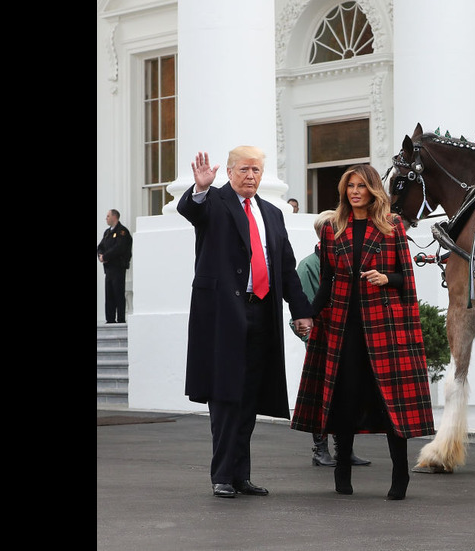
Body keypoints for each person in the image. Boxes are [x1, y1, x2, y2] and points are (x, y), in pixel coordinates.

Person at [291, 164, 435, 500]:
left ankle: (400, 473)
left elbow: (405, 279)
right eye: (350, 186)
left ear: (373, 190)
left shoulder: (392, 226)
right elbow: (326, 281)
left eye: (361, 186)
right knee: (345, 399)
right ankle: (342, 469)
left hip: (384, 328)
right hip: (342, 328)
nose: (355, 192)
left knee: (390, 403)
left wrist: (387, 279)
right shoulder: (332, 229)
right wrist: (307, 314)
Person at [177, 146, 314, 499]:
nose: (250, 176)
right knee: (225, 397)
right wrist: (201, 189)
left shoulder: (271, 212)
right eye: (244, 169)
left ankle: (241, 475)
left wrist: (300, 310)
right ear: (230, 172)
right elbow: (191, 210)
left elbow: (285, 267)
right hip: (224, 315)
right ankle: (222, 475)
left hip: (262, 312)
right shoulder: (215, 203)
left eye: (256, 170)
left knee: (249, 397)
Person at [291, 210, 371, 468]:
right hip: (322, 340)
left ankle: (343, 450)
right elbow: (301, 309)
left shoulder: (346, 261)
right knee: (322, 396)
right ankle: (320, 449)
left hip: (347, 338)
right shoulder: (308, 266)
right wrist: (310, 334)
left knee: (346, 395)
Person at [98, 209, 133, 323]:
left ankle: (121, 319)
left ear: (114, 217)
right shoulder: (107, 232)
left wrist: (106, 256)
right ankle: (110, 319)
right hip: (108, 269)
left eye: (108, 216)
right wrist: (100, 255)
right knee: (109, 295)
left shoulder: (122, 232)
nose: (106, 218)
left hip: (118, 268)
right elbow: (101, 246)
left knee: (118, 293)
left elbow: (119, 248)